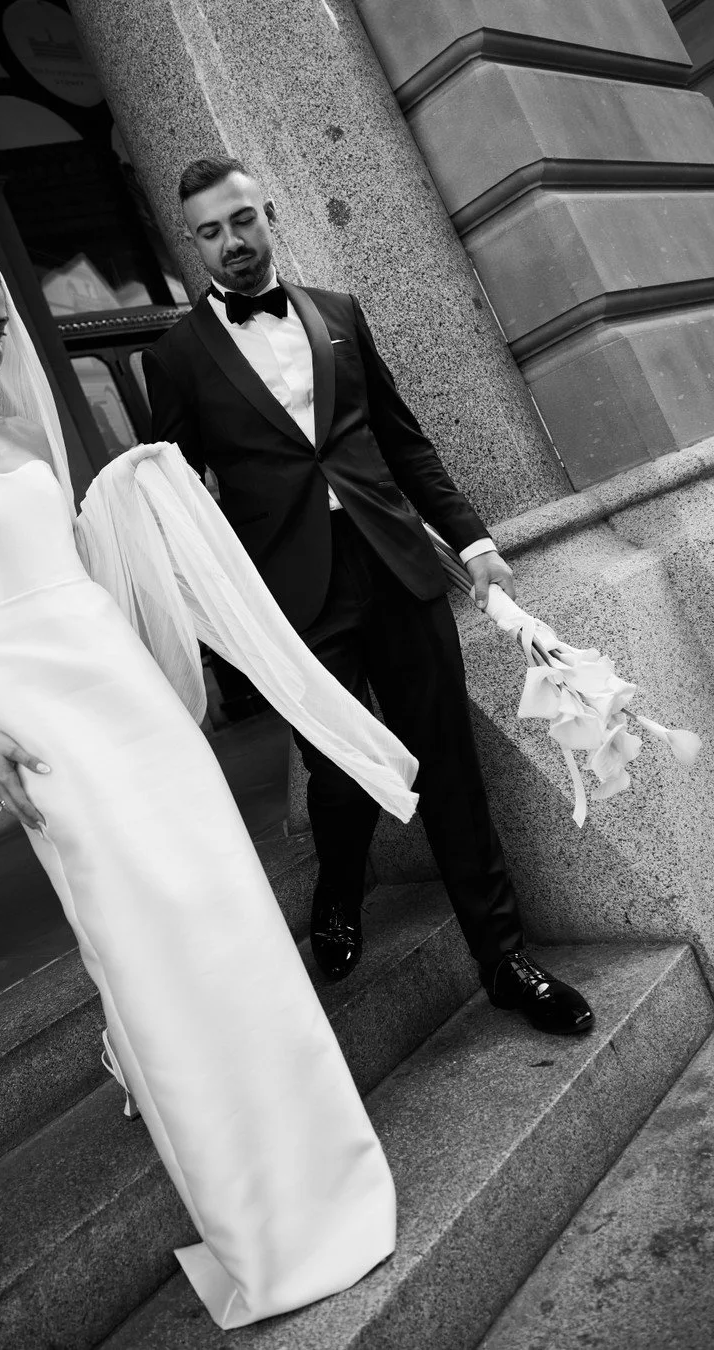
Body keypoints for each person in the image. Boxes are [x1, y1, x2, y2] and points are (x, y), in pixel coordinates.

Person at [0, 240, 424, 1329]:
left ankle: (322, 1169)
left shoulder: (25, 433)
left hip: (116, 685)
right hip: (26, 709)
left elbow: (74, 563)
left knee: (223, 909)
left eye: (0, 327)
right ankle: (243, 1197)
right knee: (137, 930)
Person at [142, 155, 594, 1037]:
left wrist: (476, 545)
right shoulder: (176, 357)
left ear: (267, 215)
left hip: (397, 567)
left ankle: (504, 962)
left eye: (242, 221)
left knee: (450, 768)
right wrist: (221, 620)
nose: (231, 243)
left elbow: (402, 439)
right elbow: (179, 503)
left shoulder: (338, 314)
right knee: (344, 773)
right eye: (210, 232)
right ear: (191, 243)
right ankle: (340, 883)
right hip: (295, 595)